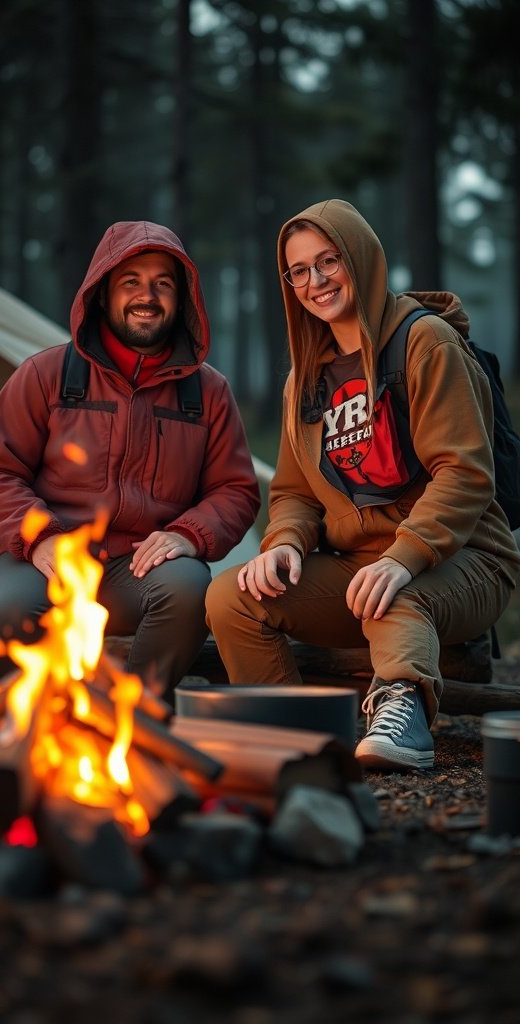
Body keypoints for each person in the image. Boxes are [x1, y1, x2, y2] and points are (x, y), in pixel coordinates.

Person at [206, 199, 520, 771]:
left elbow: (465, 473)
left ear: (362, 258)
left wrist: (404, 557)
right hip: (360, 564)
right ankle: (296, 740)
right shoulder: (307, 375)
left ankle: (402, 715)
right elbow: (296, 493)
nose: (316, 281)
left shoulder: (427, 343)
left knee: (390, 592)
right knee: (233, 597)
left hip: (466, 559)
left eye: (329, 261)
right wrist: (284, 545)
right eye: (299, 270)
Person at [0, 220, 261, 699]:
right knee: (6, 612)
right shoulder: (45, 374)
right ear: (101, 294)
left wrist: (188, 534)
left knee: (189, 588)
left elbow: (236, 490)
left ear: (182, 299)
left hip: (141, 565)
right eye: (131, 282)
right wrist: (40, 537)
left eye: (162, 284)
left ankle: (137, 725)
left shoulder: (207, 391)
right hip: (45, 556)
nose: (147, 296)